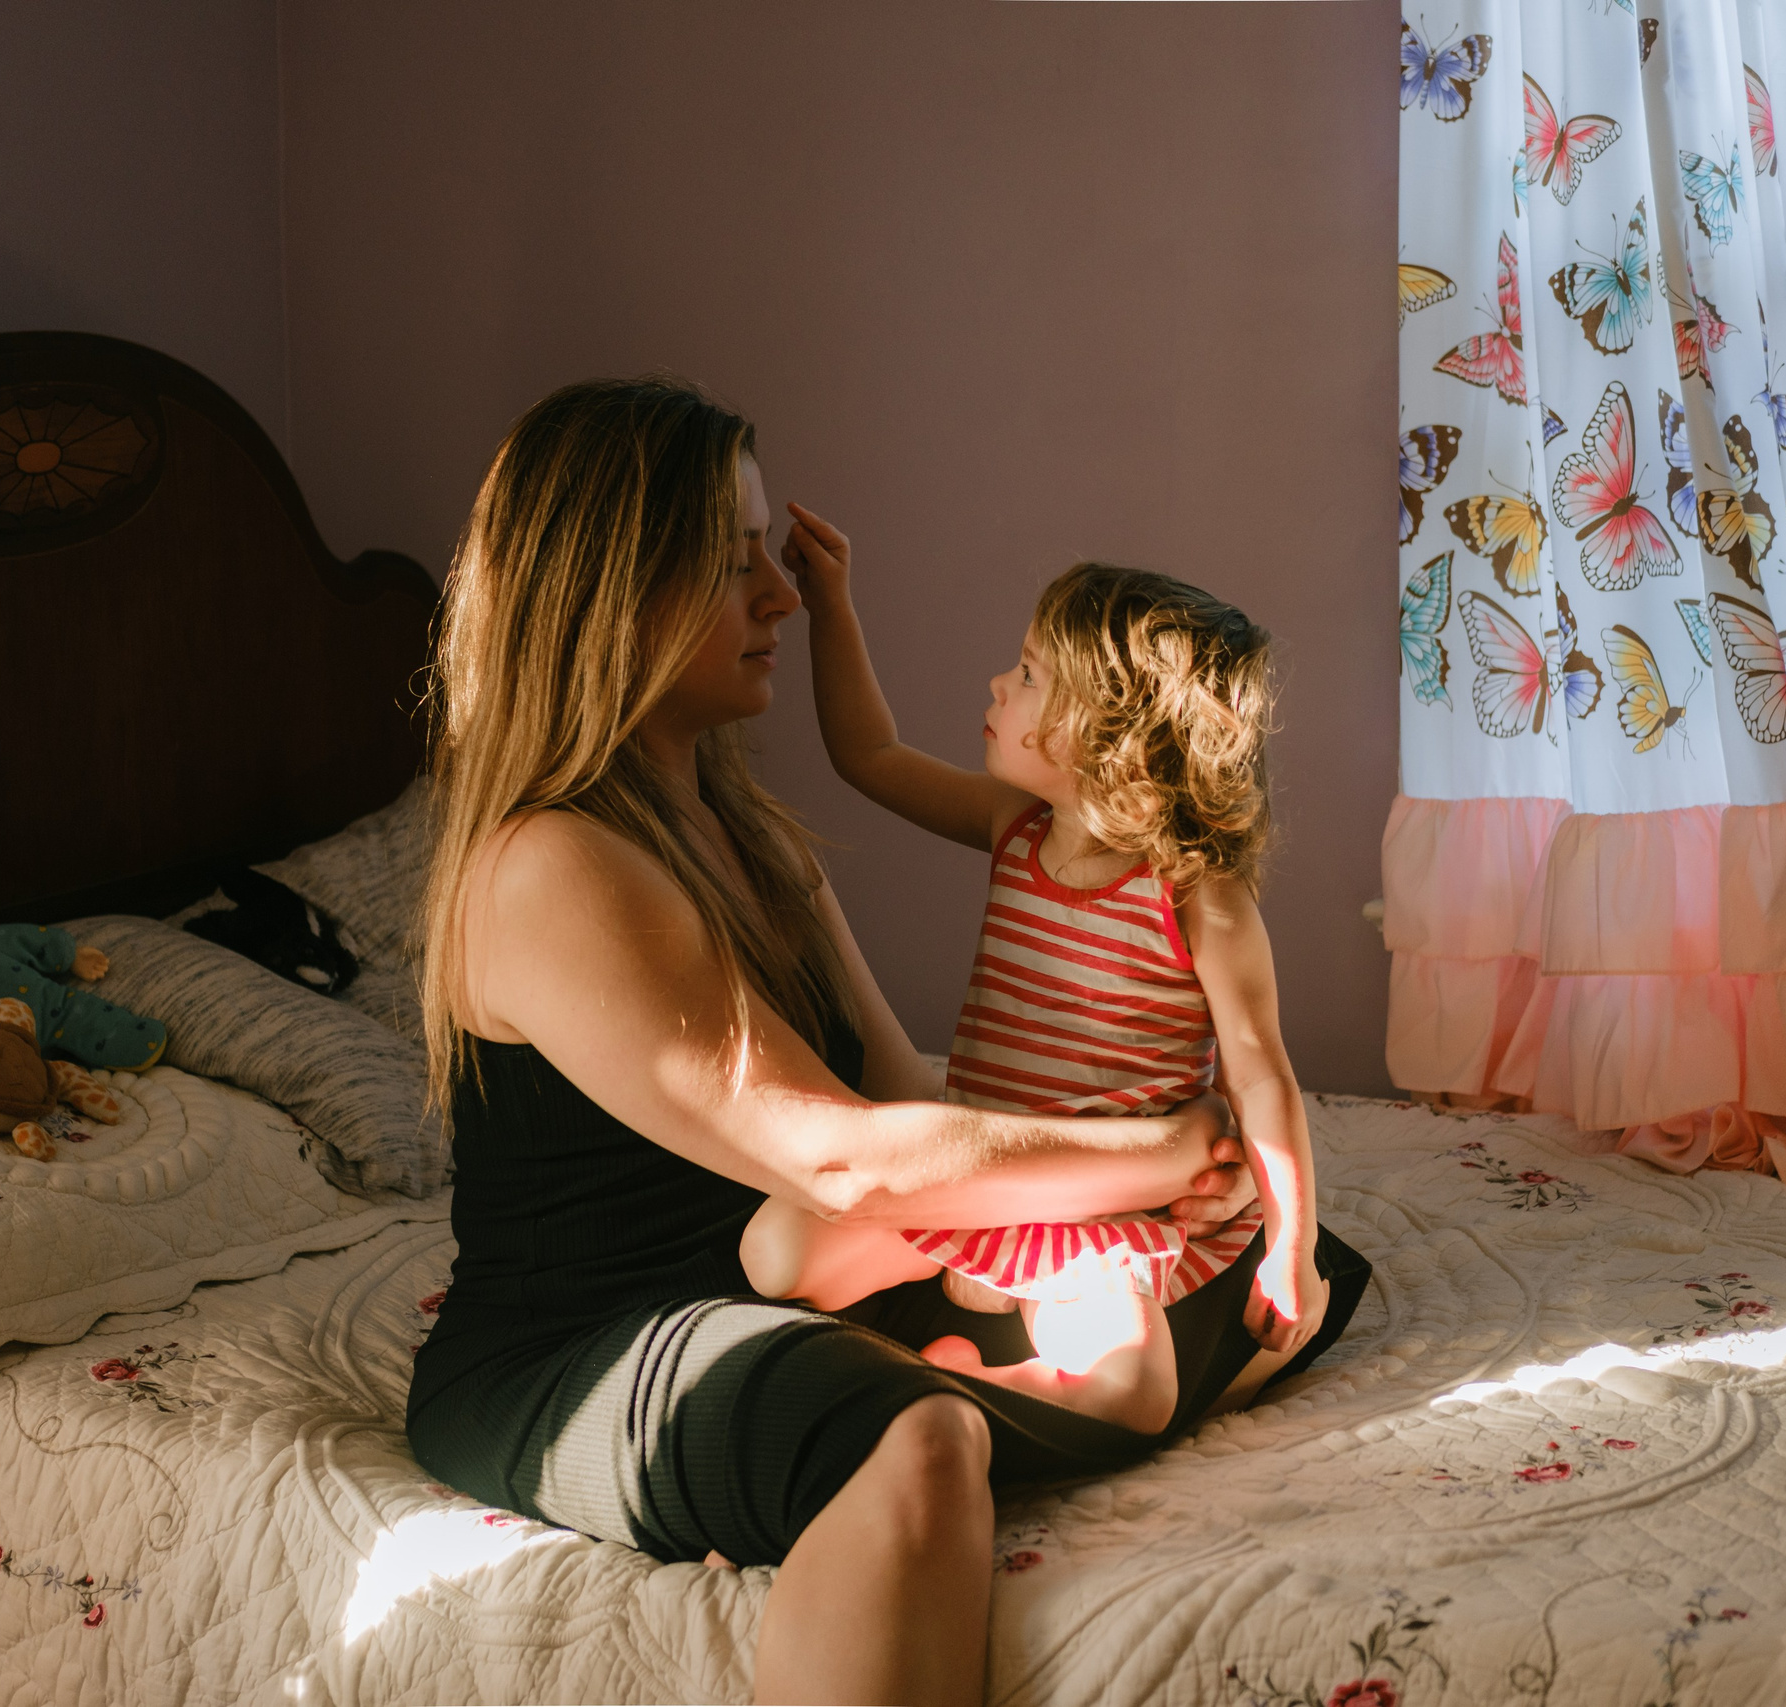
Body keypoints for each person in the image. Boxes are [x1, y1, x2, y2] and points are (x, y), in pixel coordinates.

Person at [402, 377, 1349, 1707]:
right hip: (586, 1338)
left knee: (1273, 1269)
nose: (781, 597)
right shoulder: (551, 860)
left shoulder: (748, 833)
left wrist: (1171, 1183)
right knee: (910, 1436)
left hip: (771, 1271)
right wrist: (1161, 1152)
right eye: (736, 567)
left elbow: (902, 1090)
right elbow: (848, 1162)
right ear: (620, 595)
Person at [738, 548, 1326, 1435]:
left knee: (1134, 1391)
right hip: (983, 1185)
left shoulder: (1199, 897)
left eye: (1027, 673)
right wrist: (833, 607)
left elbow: (1263, 1078)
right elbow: (868, 753)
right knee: (773, 1252)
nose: (997, 682)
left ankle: (963, 1385)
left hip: (1094, 1217)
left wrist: (1294, 1246)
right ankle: (964, 1358)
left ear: (1104, 729)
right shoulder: (1013, 827)